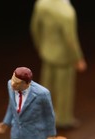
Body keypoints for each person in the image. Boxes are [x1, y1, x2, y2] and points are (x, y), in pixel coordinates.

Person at [30, 0, 87, 129]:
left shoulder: (41, 4)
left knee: (46, 84)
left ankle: (41, 114)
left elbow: (35, 27)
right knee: (64, 89)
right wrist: (78, 58)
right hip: (64, 56)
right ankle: (63, 118)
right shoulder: (66, 13)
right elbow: (70, 40)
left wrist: (40, 45)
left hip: (47, 51)